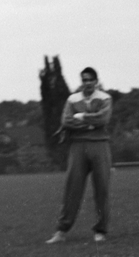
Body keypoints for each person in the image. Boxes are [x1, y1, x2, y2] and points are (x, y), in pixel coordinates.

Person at [46, 67, 113, 244]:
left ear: (96, 81)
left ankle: (100, 230)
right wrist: (90, 124)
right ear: (81, 81)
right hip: (78, 147)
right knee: (72, 189)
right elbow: (66, 121)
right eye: (84, 80)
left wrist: (81, 116)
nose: (87, 83)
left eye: (90, 80)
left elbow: (103, 119)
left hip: (100, 146)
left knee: (102, 189)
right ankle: (61, 231)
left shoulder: (105, 98)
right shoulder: (72, 99)